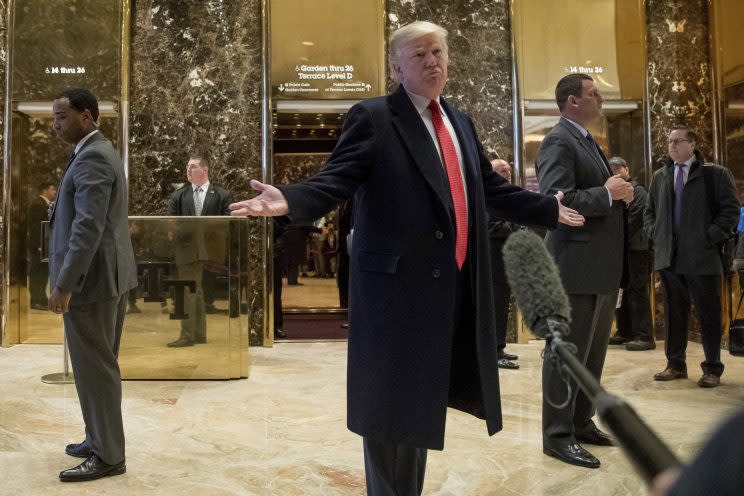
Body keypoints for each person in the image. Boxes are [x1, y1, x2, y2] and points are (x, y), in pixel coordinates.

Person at [230, 21, 584, 496]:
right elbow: (337, 178)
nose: (431, 61)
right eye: (418, 55)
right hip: (395, 295)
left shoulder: (458, 121)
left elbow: (489, 187)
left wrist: (546, 208)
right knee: (389, 416)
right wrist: (291, 200)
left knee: (417, 412)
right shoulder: (374, 117)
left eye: (437, 52)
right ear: (396, 66)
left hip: (448, 289)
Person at [536, 73, 633, 469]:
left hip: (599, 269)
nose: (601, 99)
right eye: (594, 94)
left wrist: (618, 193)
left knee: (592, 356)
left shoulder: (587, 140)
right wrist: (609, 193)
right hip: (573, 268)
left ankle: (580, 421)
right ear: (572, 101)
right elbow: (556, 200)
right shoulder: (558, 140)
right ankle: (557, 436)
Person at [49, 88, 137, 482]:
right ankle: (96, 437)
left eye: (61, 117)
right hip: (104, 278)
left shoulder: (93, 157)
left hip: (91, 283)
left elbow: (87, 228)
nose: (55, 125)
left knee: (96, 369)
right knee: (93, 367)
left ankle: (108, 456)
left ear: (86, 117)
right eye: (54, 117)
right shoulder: (98, 151)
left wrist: (65, 282)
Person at [644, 126, 739, 388]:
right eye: (669, 141)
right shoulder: (661, 176)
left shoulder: (714, 175)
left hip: (703, 257)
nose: (672, 145)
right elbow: (649, 211)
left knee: (709, 314)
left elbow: (730, 211)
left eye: (678, 141)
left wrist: (710, 236)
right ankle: (675, 364)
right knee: (674, 313)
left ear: (692, 144)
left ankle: (712, 368)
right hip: (670, 257)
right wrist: (655, 233)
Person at [166, 156, 231, 347]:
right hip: (187, 250)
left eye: (192, 166)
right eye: (187, 166)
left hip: (212, 251)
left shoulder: (221, 195)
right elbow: (171, 223)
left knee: (192, 291)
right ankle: (196, 334)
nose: (188, 170)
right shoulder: (178, 196)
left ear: (204, 170)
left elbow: (227, 223)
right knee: (191, 290)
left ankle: (189, 335)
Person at [607, 156, 655, 351]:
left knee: (637, 291)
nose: (616, 172)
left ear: (627, 169)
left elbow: (635, 220)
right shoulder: (613, 192)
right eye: (612, 170)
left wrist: (613, 237)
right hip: (623, 250)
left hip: (639, 250)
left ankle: (644, 336)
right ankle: (624, 331)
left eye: (619, 168)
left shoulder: (638, 191)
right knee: (623, 291)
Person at [487, 159, 520, 370]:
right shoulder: (487, 194)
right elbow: (491, 227)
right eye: (502, 170)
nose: (507, 173)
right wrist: (515, 227)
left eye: (508, 170)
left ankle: (499, 347)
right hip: (492, 259)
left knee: (502, 305)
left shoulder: (508, 194)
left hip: (506, 261)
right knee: (494, 306)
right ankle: (493, 353)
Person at [27, 181, 56, 310]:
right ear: (45, 190)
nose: (54, 192)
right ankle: (36, 300)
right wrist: (39, 244)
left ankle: (42, 298)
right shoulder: (37, 205)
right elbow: (36, 228)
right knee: (37, 272)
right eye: (52, 189)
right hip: (39, 245)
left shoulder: (44, 204)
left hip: (44, 245)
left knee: (44, 272)